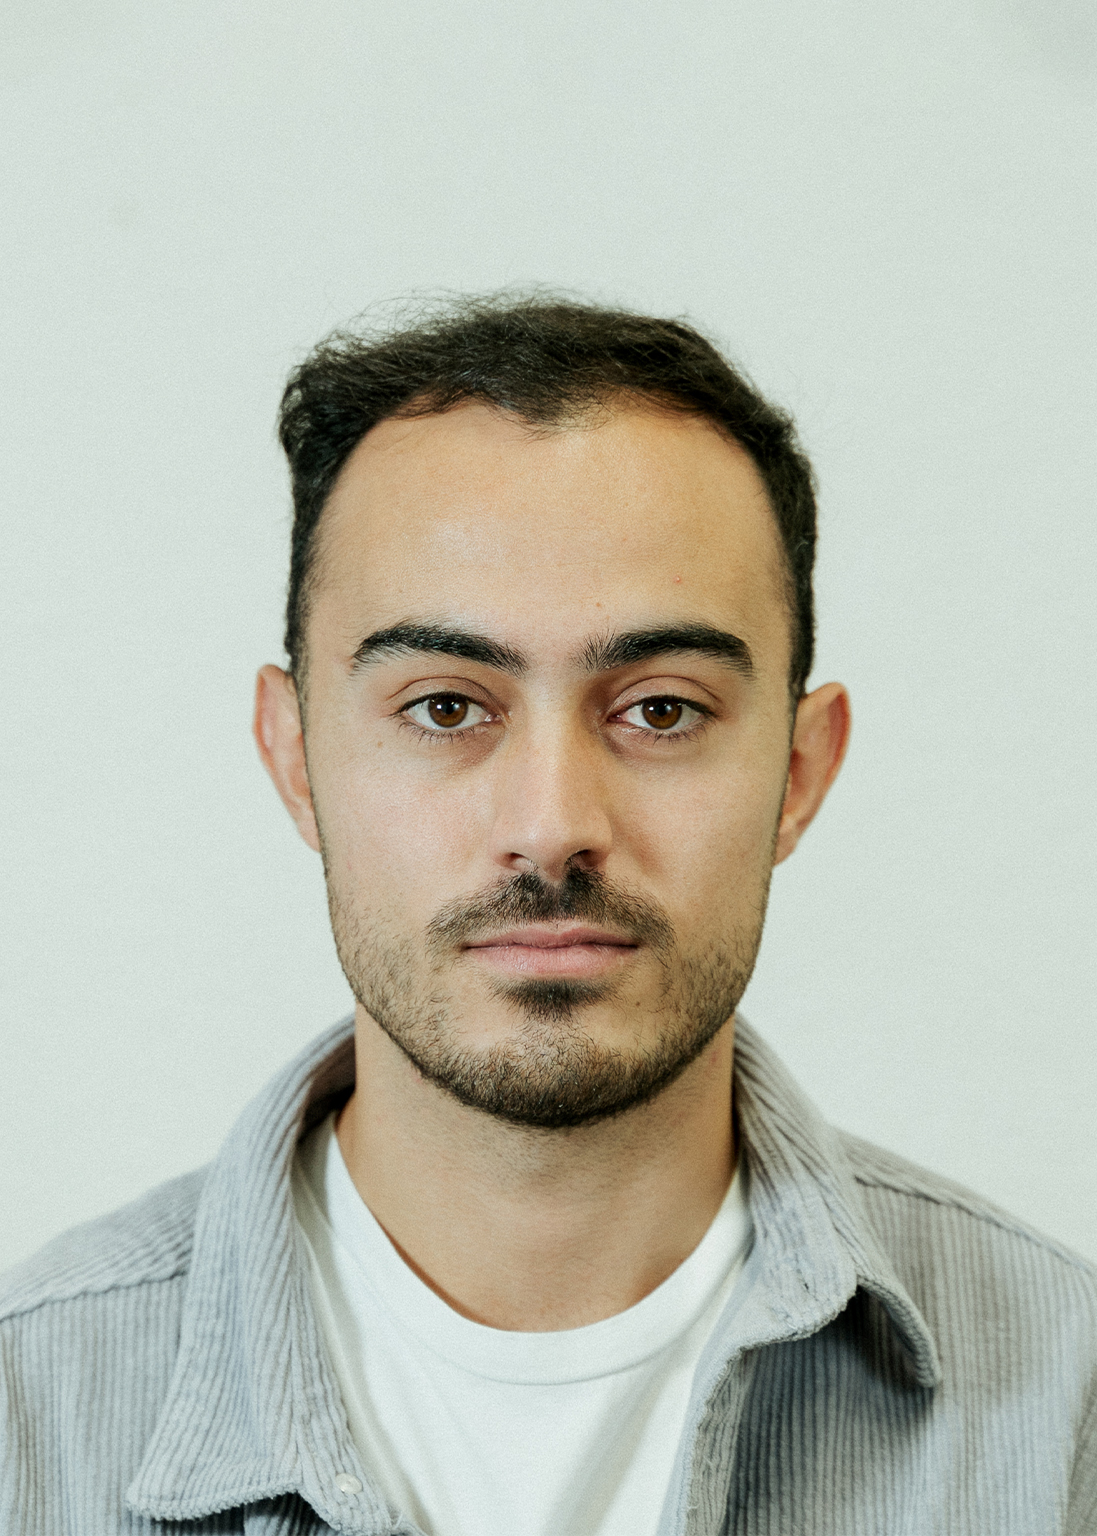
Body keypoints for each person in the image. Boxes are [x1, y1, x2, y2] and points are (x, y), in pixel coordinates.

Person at [2, 297, 1095, 1536]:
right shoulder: (24, 1417)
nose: (551, 823)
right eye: (444, 707)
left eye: (660, 710)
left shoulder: (1065, 1407)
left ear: (798, 773)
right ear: (294, 756)